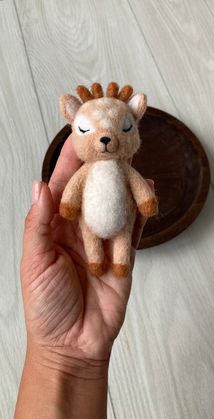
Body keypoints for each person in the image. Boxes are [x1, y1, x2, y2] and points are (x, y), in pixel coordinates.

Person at [14, 135, 153, 419]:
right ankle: (100, 259)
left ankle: (118, 262)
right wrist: (68, 205)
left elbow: (139, 186)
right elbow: (74, 188)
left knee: (123, 239)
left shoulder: (123, 170)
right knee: (92, 241)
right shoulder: (87, 171)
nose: (105, 137)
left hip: (119, 224)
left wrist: (146, 198)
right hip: (88, 223)